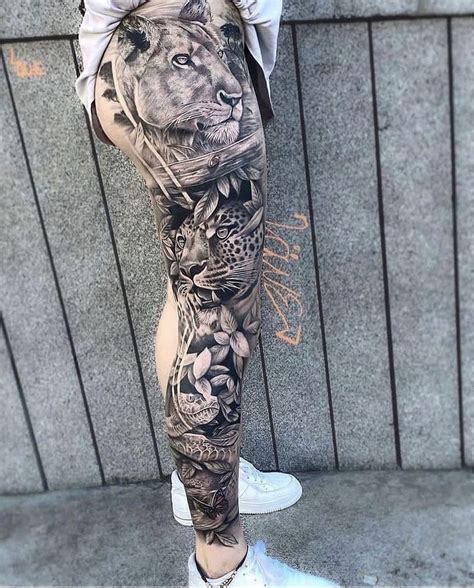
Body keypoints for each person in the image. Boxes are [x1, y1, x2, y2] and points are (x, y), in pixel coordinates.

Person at [76, 1, 338, 586]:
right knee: (219, 314)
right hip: (166, 27)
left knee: (191, 293)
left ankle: (200, 480)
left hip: (157, 42)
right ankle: (222, 564)